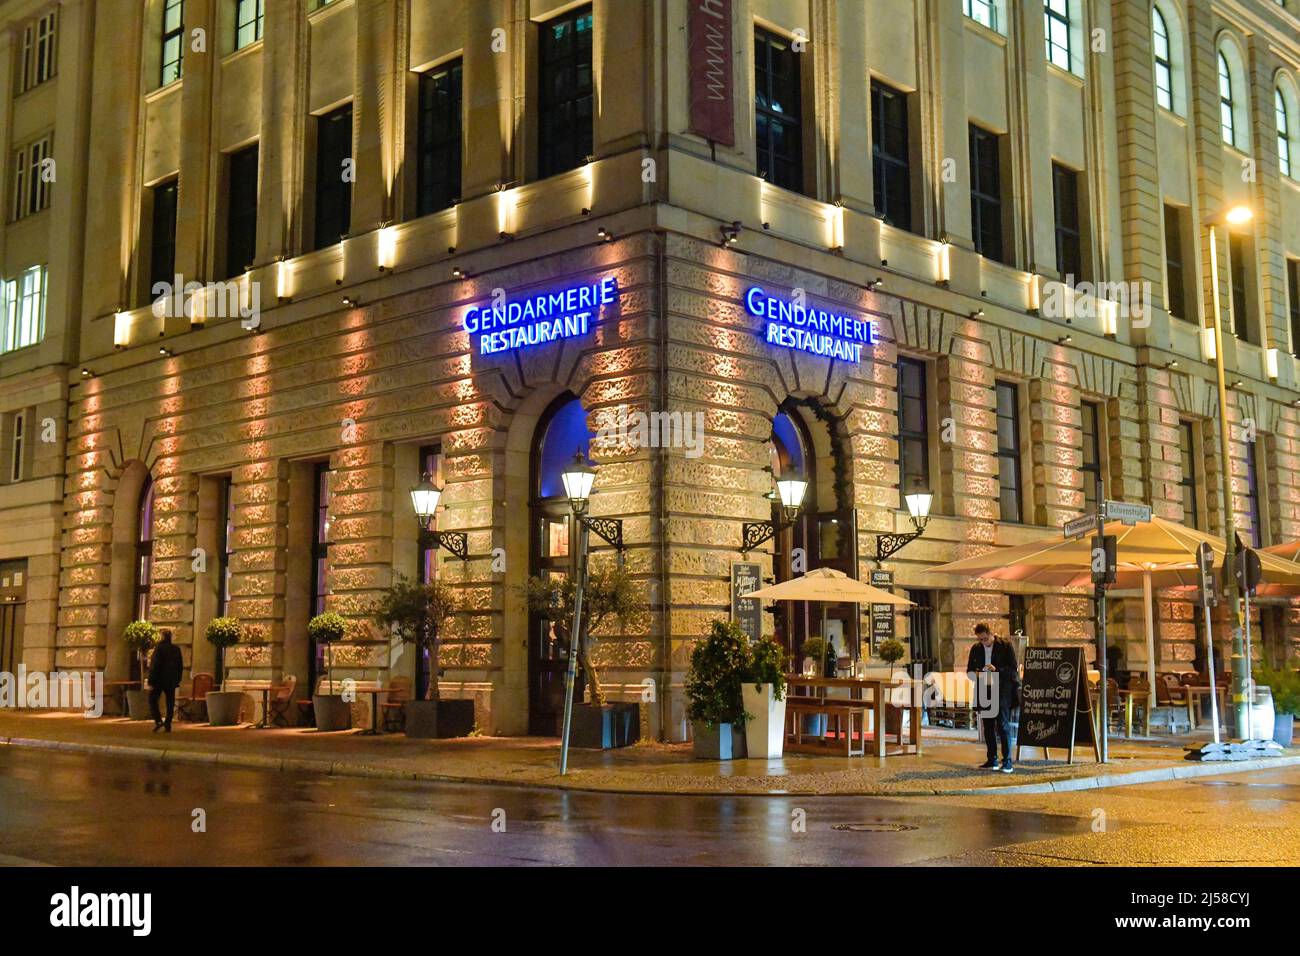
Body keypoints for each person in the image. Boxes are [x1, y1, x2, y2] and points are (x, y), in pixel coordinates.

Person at [965, 623, 1020, 773]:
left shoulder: (1005, 646)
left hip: (1001, 689)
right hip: (983, 688)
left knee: (1002, 725)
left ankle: (1007, 761)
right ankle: (992, 759)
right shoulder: (976, 649)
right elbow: (969, 670)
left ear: (991, 634)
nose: (983, 642)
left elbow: (1012, 669)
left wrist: (997, 670)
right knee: (987, 726)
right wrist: (977, 674)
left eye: (984, 639)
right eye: (980, 639)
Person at [148, 628, 184, 732]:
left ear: (162, 637)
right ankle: (168, 723)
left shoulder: (159, 649)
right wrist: (178, 679)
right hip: (171, 680)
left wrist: (151, 680)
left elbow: (155, 665)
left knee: (152, 699)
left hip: (159, 680)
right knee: (170, 701)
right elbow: (180, 665)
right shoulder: (176, 649)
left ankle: (158, 721)